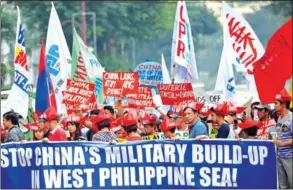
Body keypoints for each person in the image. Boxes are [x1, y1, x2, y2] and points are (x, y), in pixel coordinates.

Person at [273, 89, 292, 189]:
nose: (274, 105)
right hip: (280, 156)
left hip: (290, 157)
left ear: (283, 104)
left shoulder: (291, 118)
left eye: (276, 103)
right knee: (282, 186)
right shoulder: (279, 119)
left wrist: (282, 144)